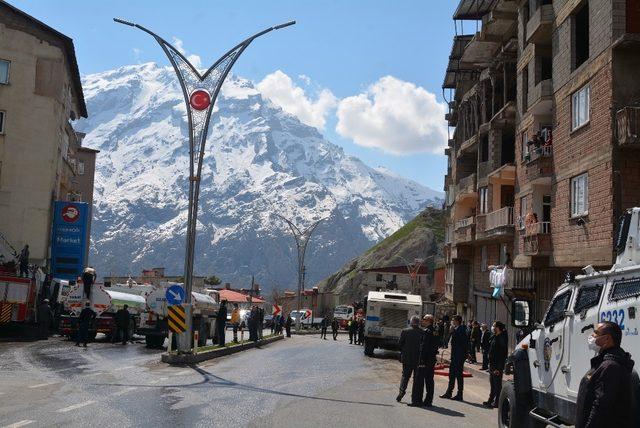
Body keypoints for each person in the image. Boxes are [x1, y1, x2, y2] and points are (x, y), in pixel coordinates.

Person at [575, 321, 635, 428]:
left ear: (607, 339)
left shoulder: (610, 367)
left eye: (596, 333)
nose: (592, 336)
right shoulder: (606, 362)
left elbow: (600, 406)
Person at [413, 315, 440, 407]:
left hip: (425, 360)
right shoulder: (435, 331)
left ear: (428, 321)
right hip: (431, 359)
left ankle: (417, 401)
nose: (422, 320)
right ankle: (428, 401)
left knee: (419, 381)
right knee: (429, 380)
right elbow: (436, 346)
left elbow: (424, 347)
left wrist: (422, 361)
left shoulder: (427, 331)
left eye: (424, 319)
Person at [397, 316, 423, 404]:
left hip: (407, 358)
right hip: (418, 360)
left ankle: (401, 392)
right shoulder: (422, 332)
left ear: (411, 322)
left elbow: (400, 344)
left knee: (405, 377)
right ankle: (414, 397)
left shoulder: (405, 331)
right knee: (416, 379)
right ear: (418, 323)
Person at [441, 315, 468, 401]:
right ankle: (449, 392)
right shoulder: (456, 329)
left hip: (459, 357)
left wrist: (453, 332)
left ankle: (460, 394)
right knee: (451, 375)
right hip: (454, 356)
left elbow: (461, 342)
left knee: (459, 375)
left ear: (457, 321)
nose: (452, 321)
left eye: (453, 320)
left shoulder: (462, 330)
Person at [484, 321, 508, 408]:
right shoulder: (495, 336)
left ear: (498, 327)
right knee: (492, 384)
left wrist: (499, 367)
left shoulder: (501, 338)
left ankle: (498, 402)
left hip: (497, 365)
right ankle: (490, 400)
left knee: (497, 385)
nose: (492, 327)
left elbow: (502, 354)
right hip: (492, 364)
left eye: (494, 326)